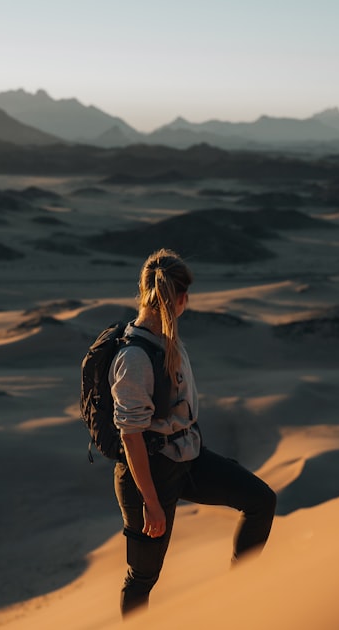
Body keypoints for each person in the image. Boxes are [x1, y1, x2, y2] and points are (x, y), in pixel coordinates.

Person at [111, 248, 277, 618]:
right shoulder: (135, 357)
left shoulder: (167, 342)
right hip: (150, 473)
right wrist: (151, 503)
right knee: (142, 577)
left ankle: (238, 600)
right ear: (179, 298)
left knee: (260, 500)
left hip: (187, 458)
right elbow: (130, 435)